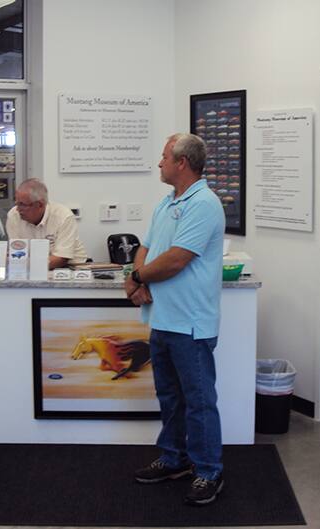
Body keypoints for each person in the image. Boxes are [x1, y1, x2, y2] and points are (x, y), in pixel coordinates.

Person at [125, 133, 225, 506]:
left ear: (182, 162)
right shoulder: (167, 202)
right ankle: (174, 458)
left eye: (164, 157)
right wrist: (140, 277)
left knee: (198, 401)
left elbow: (177, 259)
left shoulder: (204, 204)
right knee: (169, 396)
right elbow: (146, 248)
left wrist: (137, 279)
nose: (159, 163)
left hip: (192, 324)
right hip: (163, 319)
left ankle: (209, 471)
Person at [5, 178, 88, 269]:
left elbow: (61, 258)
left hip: (71, 267)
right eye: (16, 203)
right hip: (31, 268)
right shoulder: (14, 216)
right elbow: (17, 253)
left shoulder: (63, 216)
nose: (18, 209)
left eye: (22, 204)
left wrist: (28, 266)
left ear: (40, 204)